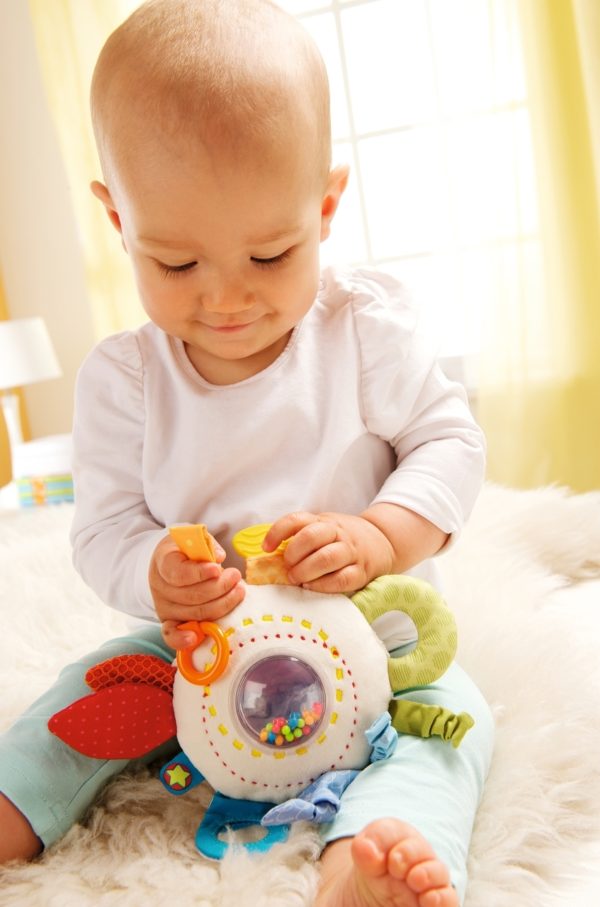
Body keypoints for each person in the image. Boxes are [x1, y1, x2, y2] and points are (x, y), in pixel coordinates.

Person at [0, 1, 494, 904]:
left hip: (371, 638)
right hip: (200, 648)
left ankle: (369, 856)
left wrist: (381, 535)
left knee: (451, 723)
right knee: (85, 694)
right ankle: (14, 803)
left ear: (325, 207)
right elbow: (104, 527)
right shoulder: (125, 379)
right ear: (118, 221)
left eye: (270, 254)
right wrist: (154, 570)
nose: (226, 298)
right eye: (177, 265)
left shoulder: (362, 330)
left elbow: (450, 443)